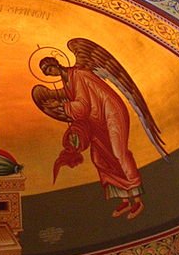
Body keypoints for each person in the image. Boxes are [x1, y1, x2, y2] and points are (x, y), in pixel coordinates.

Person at [39, 56, 145, 219]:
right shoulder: (68, 83)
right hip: (96, 120)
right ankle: (124, 197)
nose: (50, 73)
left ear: (56, 64)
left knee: (118, 153)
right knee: (99, 158)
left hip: (111, 114)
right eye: (47, 73)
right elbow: (73, 99)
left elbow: (82, 106)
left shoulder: (79, 74)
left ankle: (137, 199)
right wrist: (54, 99)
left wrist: (61, 106)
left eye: (50, 69)